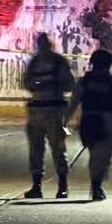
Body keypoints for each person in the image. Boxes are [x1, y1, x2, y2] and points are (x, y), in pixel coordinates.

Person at [64, 48, 112, 201]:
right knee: (103, 156)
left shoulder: (85, 81)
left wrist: (65, 120)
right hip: (107, 121)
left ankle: (96, 185)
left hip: (88, 120)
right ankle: (96, 186)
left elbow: (74, 102)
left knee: (95, 154)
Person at [22, 32, 76, 199]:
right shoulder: (35, 62)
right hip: (38, 110)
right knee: (36, 150)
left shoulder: (58, 62)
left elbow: (69, 85)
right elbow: (27, 83)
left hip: (53, 110)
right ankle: (37, 186)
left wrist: (50, 83)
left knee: (58, 149)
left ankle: (62, 186)